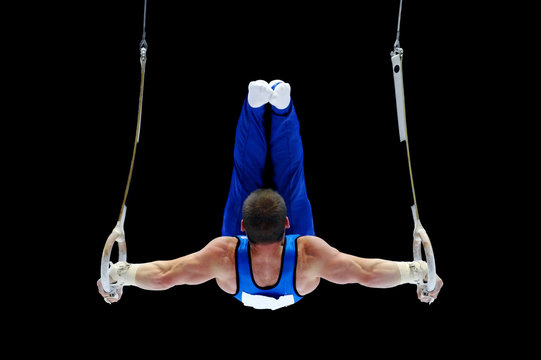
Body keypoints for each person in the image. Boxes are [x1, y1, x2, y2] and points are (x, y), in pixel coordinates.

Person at [97, 80, 443, 310]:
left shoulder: (225, 255)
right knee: (262, 175)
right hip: (290, 275)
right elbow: (365, 273)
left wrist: (119, 276)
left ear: (242, 227)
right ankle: (267, 105)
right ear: (288, 225)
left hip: (273, 278)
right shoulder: (306, 254)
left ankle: (271, 105)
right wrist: (415, 271)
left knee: (282, 176)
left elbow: (165, 275)